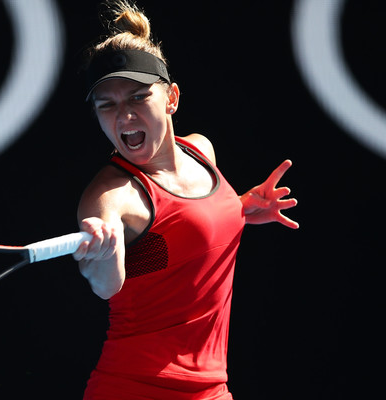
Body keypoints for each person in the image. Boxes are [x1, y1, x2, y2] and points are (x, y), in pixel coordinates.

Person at [72, 1, 299, 399]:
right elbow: (106, 286)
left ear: (171, 98)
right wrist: (101, 259)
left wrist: (241, 208)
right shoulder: (110, 198)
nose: (123, 116)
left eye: (138, 98)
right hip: (132, 388)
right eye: (107, 105)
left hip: (211, 390)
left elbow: (181, 232)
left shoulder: (201, 151)